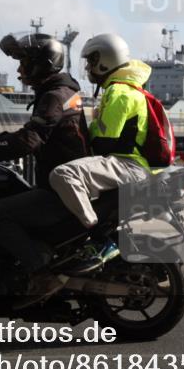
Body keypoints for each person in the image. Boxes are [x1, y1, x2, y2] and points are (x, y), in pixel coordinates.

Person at [0, 32, 89, 305]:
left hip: (61, 192)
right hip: (62, 185)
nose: (18, 69)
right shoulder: (60, 91)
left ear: (41, 64)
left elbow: (27, 140)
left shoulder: (54, 96)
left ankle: (41, 272)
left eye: (24, 61)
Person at [48, 33, 152, 231]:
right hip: (129, 163)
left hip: (128, 165)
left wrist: (86, 128)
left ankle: (88, 228)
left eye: (90, 61)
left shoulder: (120, 92)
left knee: (63, 174)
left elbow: (104, 142)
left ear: (104, 62)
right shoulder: (126, 89)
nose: (87, 67)